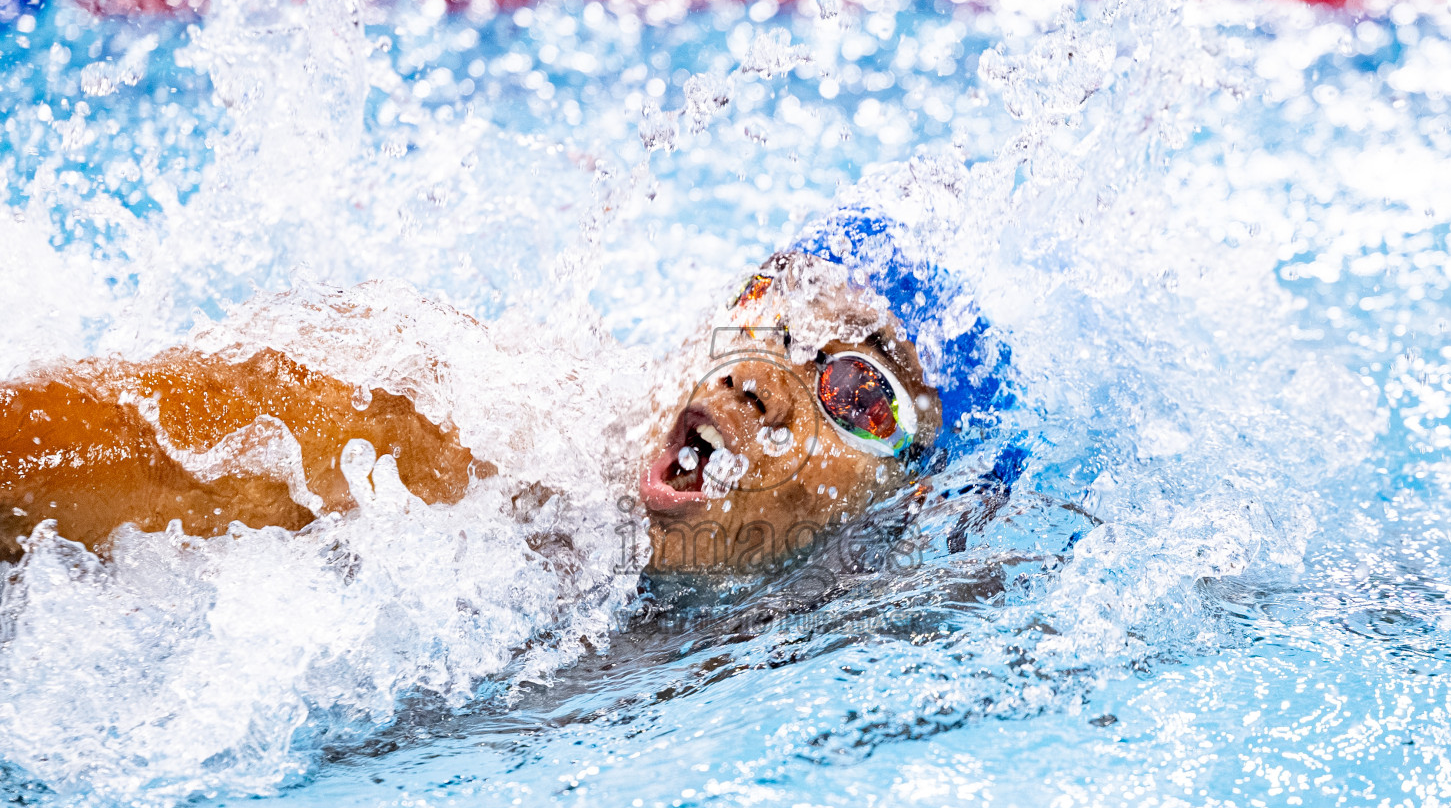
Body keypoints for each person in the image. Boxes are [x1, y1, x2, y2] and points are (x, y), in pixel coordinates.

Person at [0, 208, 1021, 570]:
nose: (759, 382)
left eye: (856, 393)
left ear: (909, 495)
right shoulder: (447, 434)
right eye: (769, 319)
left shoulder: (849, 613)